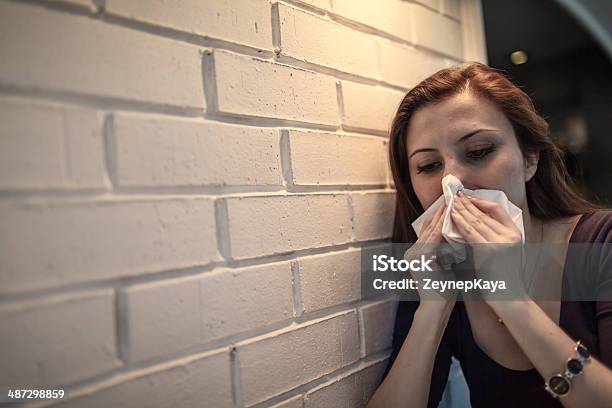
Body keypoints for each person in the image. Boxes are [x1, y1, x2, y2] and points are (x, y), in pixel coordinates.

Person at [366, 63, 612, 407]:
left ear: (530, 159)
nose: (453, 183)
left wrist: (511, 300)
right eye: (428, 166)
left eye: (479, 151)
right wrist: (432, 312)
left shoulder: (602, 245)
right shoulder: (437, 272)